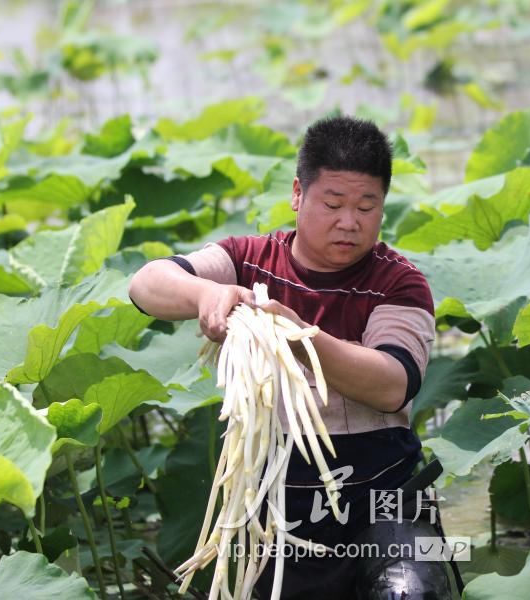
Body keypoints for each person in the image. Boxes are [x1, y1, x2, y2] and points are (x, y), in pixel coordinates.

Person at [128, 115, 453, 599]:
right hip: (278, 509)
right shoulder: (250, 259)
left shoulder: (398, 282)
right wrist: (205, 296)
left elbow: (392, 384)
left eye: (368, 206)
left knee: (412, 592)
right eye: (333, 203)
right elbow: (145, 284)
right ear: (298, 194)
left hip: (389, 504)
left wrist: (300, 336)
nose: (350, 221)